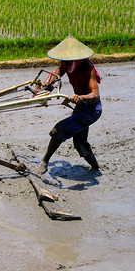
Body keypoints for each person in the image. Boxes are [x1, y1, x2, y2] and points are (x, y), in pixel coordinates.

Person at [38, 36, 102, 174]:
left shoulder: (87, 67)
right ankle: (96, 168)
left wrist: (81, 97)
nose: (64, 61)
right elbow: (60, 70)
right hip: (80, 107)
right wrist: (54, 79)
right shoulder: (66, 63)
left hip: (91, 109)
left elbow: (95, 94)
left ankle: (44, 161)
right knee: (80, 143)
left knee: (58, 131)